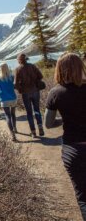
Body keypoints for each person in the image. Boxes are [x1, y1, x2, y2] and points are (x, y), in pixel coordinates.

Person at [44, 53, 86, 220]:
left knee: (83, 197)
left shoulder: (56, 93)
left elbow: (48, 124)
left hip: (73, 150)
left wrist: (65, 119)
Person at [14, 53, 44, 138]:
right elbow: (41, 76)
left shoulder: (18, 69)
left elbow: (16, 84)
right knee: (37, 109)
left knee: (29, 112)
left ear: (19, 60)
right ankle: (40, 126)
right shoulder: (32, 66)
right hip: (35, 91)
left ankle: (33, 132)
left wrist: (20, 90)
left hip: (25, 93)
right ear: (26, 59)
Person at [0, 63, 17, 141]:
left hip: (4, 99)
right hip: (13, 98)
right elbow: (15, 86)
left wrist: (1, 94)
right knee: (13, 114)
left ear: (0, 69)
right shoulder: (11, 77)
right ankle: (15, 128)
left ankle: (12, 134)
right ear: (7, 68)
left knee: (8, 116)